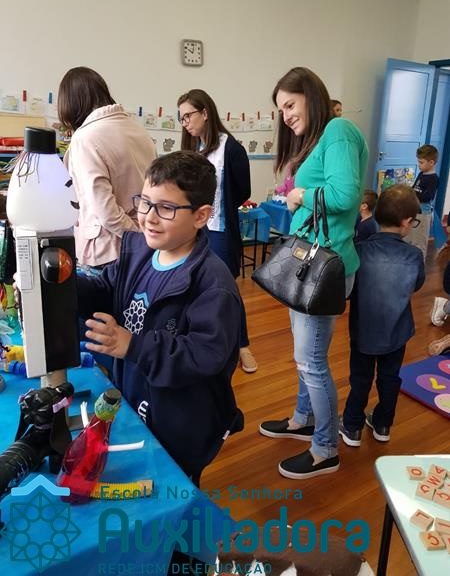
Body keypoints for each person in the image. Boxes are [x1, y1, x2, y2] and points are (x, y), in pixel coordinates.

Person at [76, 151, 244, 486]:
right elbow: (106, 289)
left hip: (179, 419)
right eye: (145, 202)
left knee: (173, 485)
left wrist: (134, 346)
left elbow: (204, 354)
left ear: (201, 216)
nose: (149, 218)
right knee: (139, 471)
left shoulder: (213, 283)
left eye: (166, 208)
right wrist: (63, 284)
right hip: (134, 394)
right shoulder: (139, 252)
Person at [259, 67, 368, 479]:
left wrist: (300, 194)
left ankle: (325, 449)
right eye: (281, 109)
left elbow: (344, 195)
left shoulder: (338, 130)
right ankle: (303, 419)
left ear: (311, 95)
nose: (286, 115)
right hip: (309, 263)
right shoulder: (321, 137)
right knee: (305, 358)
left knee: (311, 361)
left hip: (324, 267)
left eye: (290, 104)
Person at [177, 89, 257, 373]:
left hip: (221, 230)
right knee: (194, 284)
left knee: (225, 289)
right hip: (195, 229)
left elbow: (243, 190)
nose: (185, 122)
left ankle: (242, 344)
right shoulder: (194, 149)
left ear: (205, 113)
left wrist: (218, 209)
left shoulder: (231, 148)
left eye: (188, 115)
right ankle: (202, 338)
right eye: (181, 118)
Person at [339, 185, 425, 446]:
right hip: (397, 331)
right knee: (390, 378)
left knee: (360, 378)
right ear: (406, 222)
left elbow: (349, 290)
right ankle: (383, 424)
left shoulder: (359, 250)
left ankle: (352, 426)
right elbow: (416, 285)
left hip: (363, 330)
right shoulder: (414, 255)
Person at [58, 66, 157, 270]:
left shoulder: (85, 138)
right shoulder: (139, 130)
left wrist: (137, 239)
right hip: (145, 240)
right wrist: (144, 238)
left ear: (70, 104)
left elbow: (105, 211)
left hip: (108, 250)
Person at [404, 144, 439, 260]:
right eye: (418, 162)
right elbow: (414, 188)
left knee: (419, 242)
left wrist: (413, 196)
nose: (419, 165)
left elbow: (428, 196)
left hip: (423, 214)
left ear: (431, 162)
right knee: (409, 238)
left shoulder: (433, 178)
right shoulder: (421, 174)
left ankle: (419, 264)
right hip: (414, 210)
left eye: (421, 162)